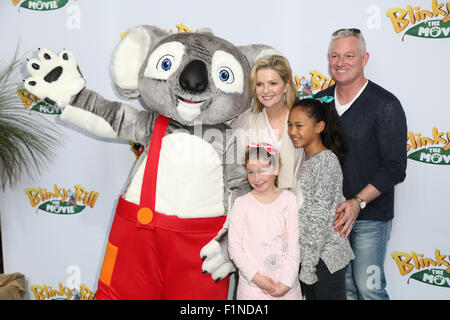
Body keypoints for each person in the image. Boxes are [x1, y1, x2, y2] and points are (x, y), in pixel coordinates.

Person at [315, 28, 407, 300]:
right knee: (343, 291)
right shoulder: (319, 103)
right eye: (334, 55)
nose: (340, 62)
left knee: (369, 289)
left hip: (370, 217)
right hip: (331, 219)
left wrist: (357, 202)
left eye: (349, 55)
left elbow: (395, 167)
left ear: (364, 58)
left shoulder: (385, 105)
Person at [287, 98, 354, 300]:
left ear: (319, 127)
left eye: (299, 126)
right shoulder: (307, 158)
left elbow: (318, 218)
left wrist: (308, 267)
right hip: (313, 256)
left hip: (324, 258)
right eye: (290, 125)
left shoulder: (325, 161)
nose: (292, 132)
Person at [227, 144, 302, 300]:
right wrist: (256, 278)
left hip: (286, 289)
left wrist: (286, 283)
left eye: (262, 171)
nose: (256, 178)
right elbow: (234, 247)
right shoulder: (241, 204)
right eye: (251, 172)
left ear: (276, 169)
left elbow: (295, 246)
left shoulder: (290, 201)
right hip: (252, 289)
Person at [232, 55, 304, 190]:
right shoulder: (245, 121)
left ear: (286, 86)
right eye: (259, 84)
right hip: (258, 205)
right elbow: (236, 172)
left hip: (299, 204)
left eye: (273, 83)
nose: (265, 90)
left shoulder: (305, 119)